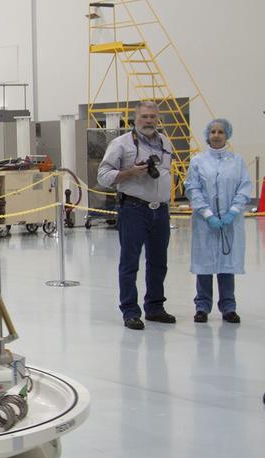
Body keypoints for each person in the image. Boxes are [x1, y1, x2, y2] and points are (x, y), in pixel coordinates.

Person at [97, 101, 176, 330]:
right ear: (135, 119)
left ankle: (155, 307)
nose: (149, 120)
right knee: (130, 262)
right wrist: (129, 173)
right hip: (133, 209)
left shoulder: (165, 142)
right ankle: (130, 311)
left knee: (159, 262)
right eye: (144, 117)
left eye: (153, 116)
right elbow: (103, 175)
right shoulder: (121, 144)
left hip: (160, 210)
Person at [185, 118, 252, 323]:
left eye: (220, 132)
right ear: (207, 135)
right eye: (212, 131)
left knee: (226, 265)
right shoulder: (198, 161)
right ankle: (202, 307)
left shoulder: (237, 161)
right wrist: (207, 214)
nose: (216, 135)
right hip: (205, 222)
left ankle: (228, 307)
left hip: (230, 222)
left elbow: (244, 186)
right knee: (204, 265)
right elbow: (192, 187)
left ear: (227, 135)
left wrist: (233, 211)